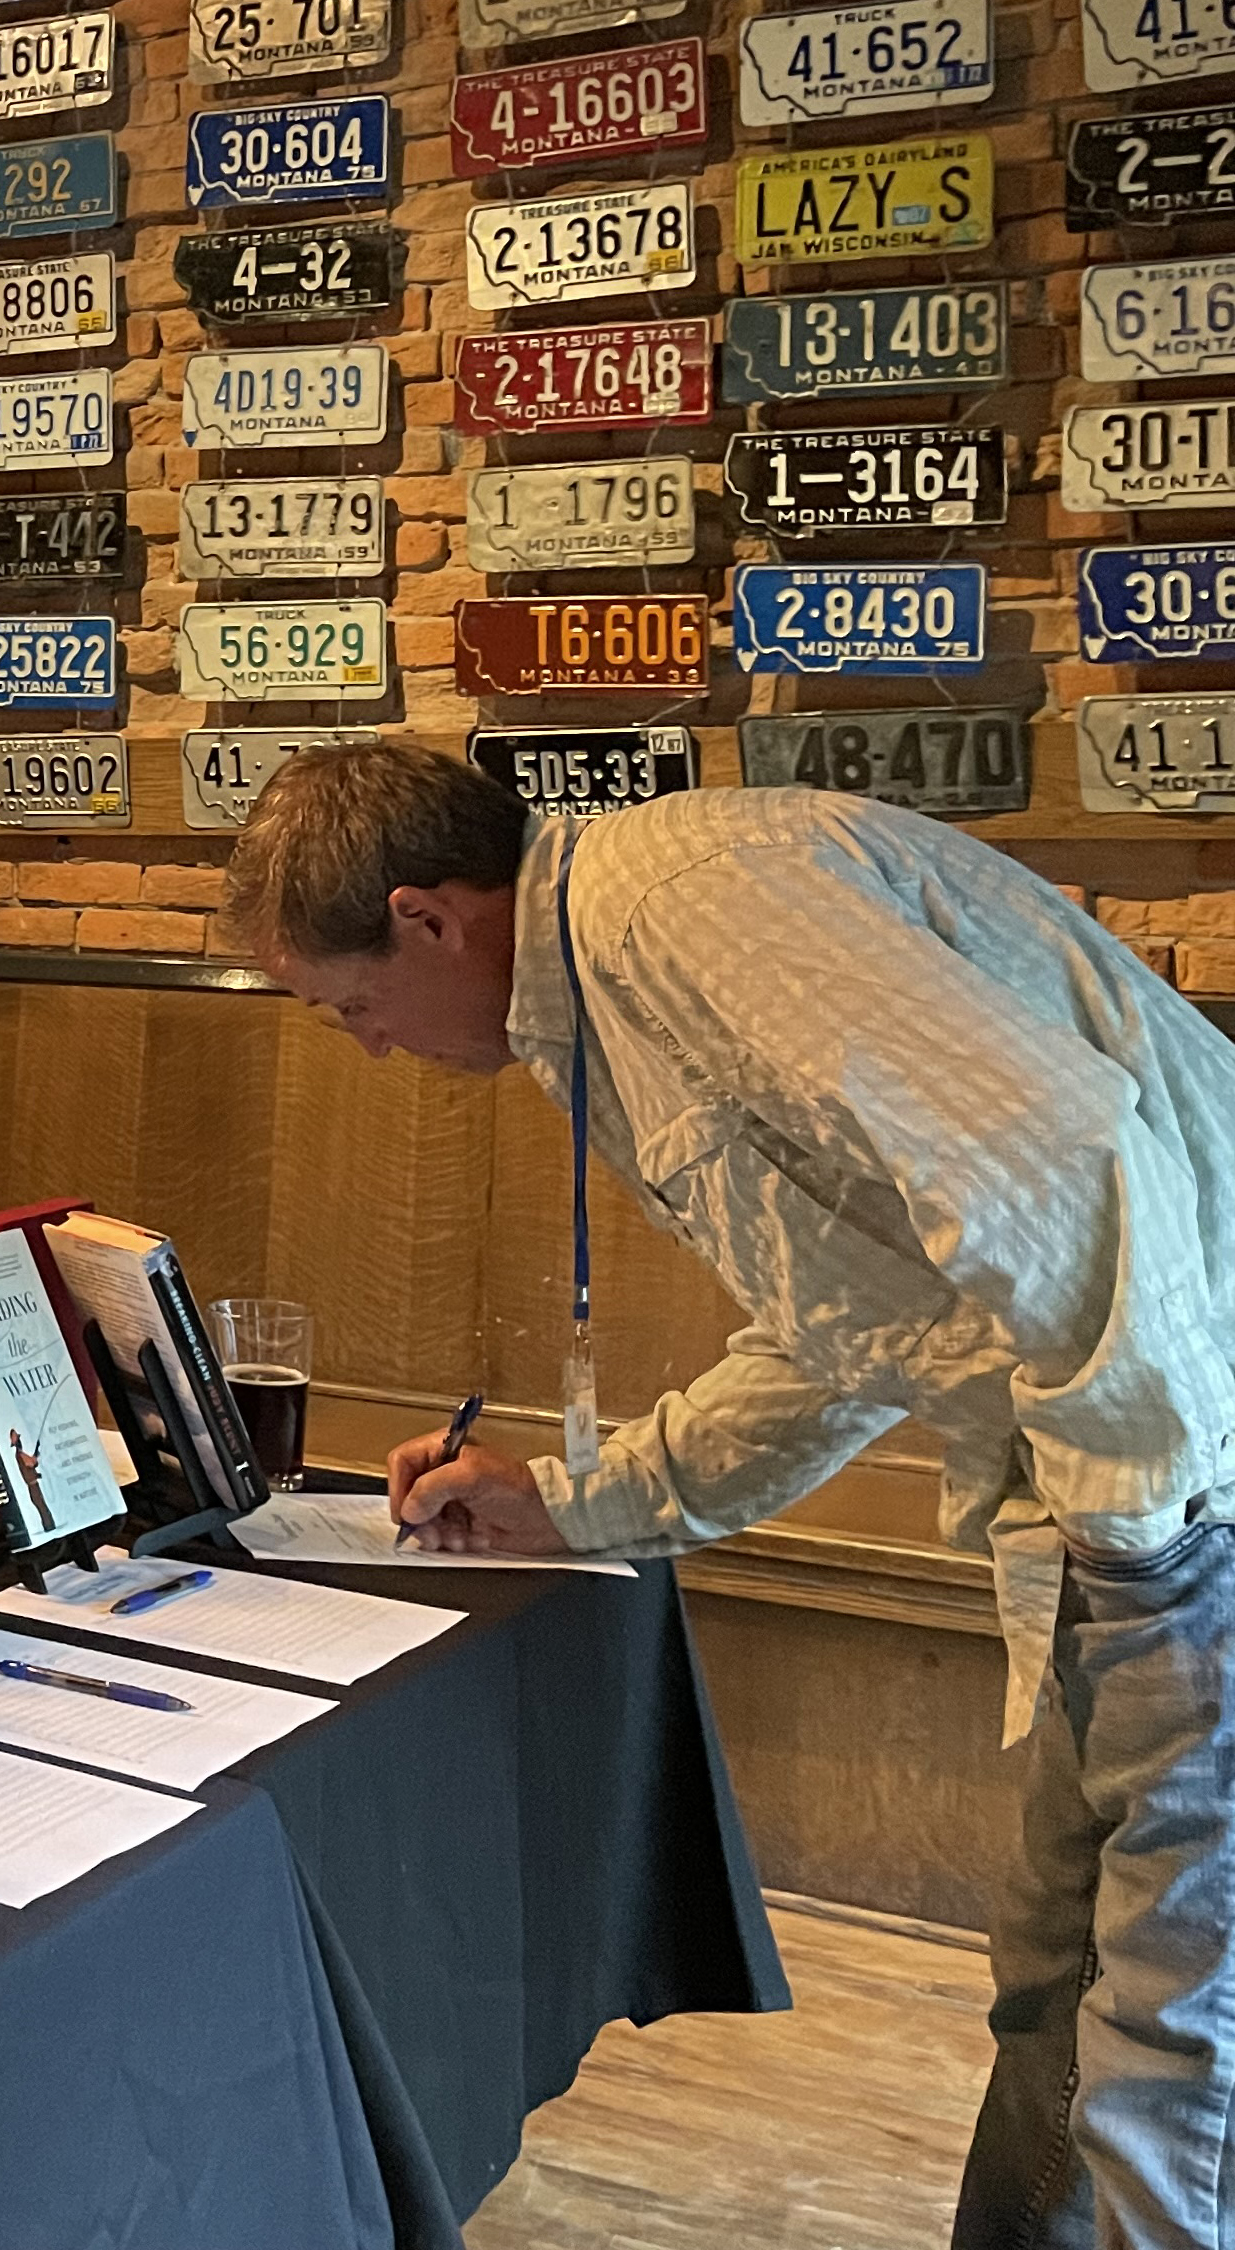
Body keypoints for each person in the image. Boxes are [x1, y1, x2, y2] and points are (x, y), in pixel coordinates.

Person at [225, 743, 1235, 2250]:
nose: (368, 1049)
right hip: (1147, 1492)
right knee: (1057, 1993)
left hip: (1180, 1494)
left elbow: (1058, 1165)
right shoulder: (626, 959)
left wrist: (1137, 1537)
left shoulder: (678, 909)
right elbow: (856, 1337)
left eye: (350, 1006)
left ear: (428, 918)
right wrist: (579, 1504)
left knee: (1165, 2049)